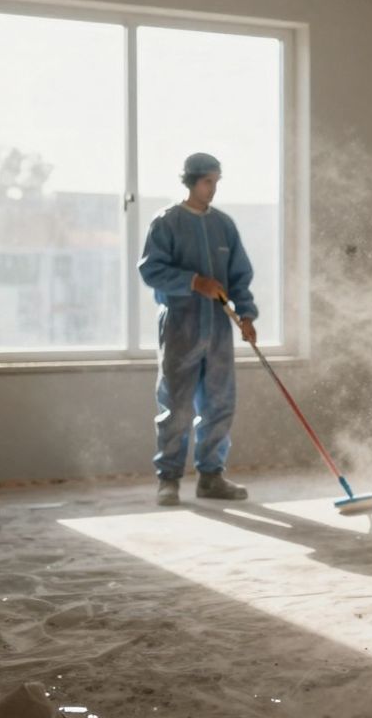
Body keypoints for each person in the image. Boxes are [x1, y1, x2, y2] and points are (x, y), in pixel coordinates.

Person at [138, 153, 258, 506]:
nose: (213, 189)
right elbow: (151, 271)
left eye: (217, 182)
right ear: (191, 181)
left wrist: (247, 315)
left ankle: (211, 476)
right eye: (208, 182)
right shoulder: (167, 223)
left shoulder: (224, 226)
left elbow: (239, 276)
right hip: (180, 325)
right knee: (176, 404)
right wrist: (193, 282)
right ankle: (169, 479)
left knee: (220, 402)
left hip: (219, 329)